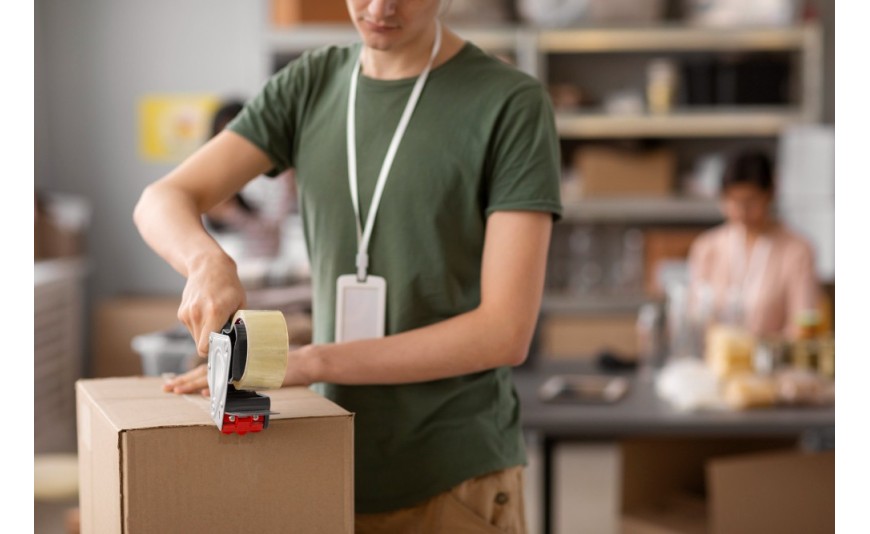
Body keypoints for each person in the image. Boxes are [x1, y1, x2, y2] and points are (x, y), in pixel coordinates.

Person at [133, 0, 562, 531]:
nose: (380, 7)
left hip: (454, 474)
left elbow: (504, 333)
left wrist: (313, 362)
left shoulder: (510, 103)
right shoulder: (310, 84)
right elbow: (161, 199)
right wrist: (206, 262)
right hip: (330, 459)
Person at [687, 149, 820, 339]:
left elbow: (804, 322)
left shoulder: (798, 250)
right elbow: (695, 315)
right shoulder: (707, 247)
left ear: (770, 194)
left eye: (750, 201)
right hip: (716, 354)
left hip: (774, 355)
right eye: (733, 201)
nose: (742, 211)